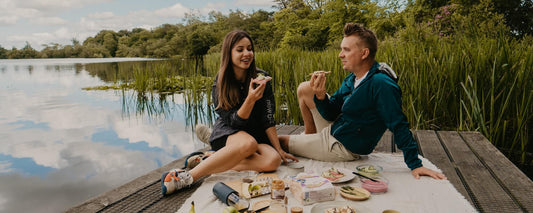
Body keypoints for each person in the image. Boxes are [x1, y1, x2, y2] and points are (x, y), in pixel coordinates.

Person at [278, 23, 446, 180]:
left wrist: (415, 164)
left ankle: (308, 143)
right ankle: (310, 136)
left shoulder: (381, 84)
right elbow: (331, 113)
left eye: (346, 50)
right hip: (336, 128)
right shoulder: (353, 78)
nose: (340, 55)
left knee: (279, 141)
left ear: (364, 53)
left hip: (343, 146)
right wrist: (320, 96)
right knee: (305, 87)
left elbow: (398, 123)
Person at [161, 30, 297, 195]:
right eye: (240, 50)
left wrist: (279, 149)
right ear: (229, 53)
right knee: (248, 144)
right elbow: (234, 122)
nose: (247, 53)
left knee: (272, 161)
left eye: (249, 48)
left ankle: (208, 159)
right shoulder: (220, 83)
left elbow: (268, 118)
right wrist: (250, 99)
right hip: (229, 132)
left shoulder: (262, 78)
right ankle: (187, 177)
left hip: (255, 135)